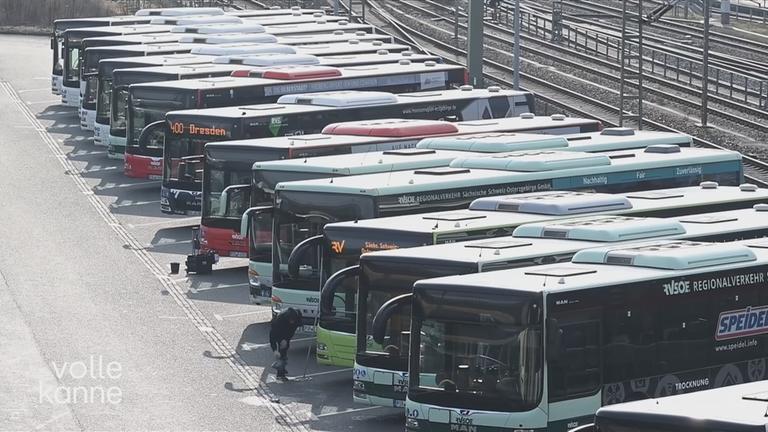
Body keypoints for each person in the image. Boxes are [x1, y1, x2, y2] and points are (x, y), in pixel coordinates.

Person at [269, 307, 303, 381]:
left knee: (285, 347)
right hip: (279, 332)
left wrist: (286, 339)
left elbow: (293, 329)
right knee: (282, 351)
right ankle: (280, 373)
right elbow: (272, 336)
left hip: (288, 332)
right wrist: (275, 350)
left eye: (293, 320)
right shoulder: (279, 320)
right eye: (290, 320)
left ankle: (282, 367)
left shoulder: (298, 315)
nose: (292, 322)